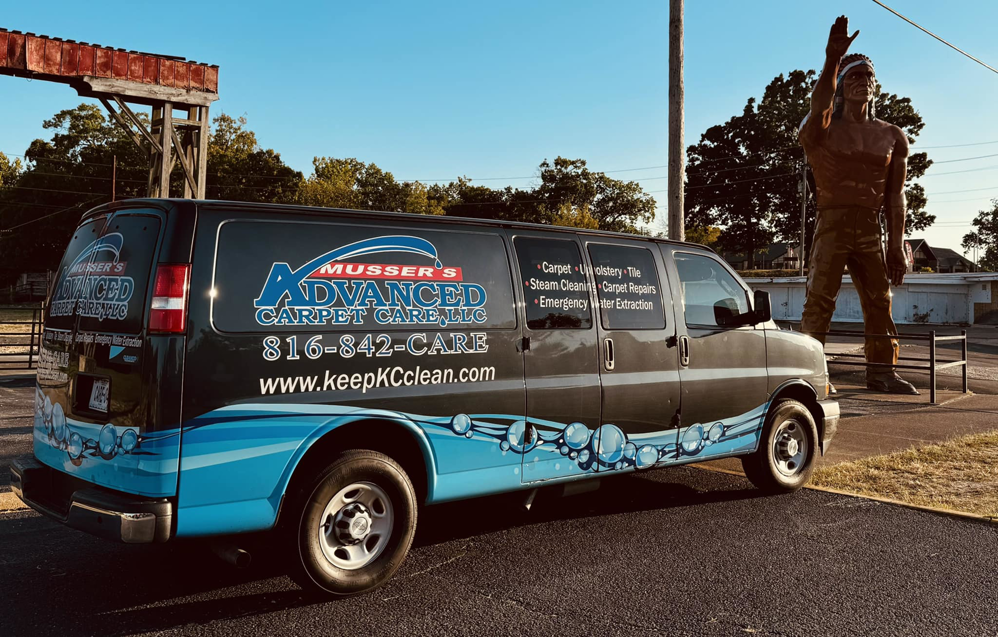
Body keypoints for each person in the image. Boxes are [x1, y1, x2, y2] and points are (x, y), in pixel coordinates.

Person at [798, 15, 918, 395]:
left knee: (880, 302)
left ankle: (882, 371)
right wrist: (833, 58)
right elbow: (817, 108)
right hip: (832, 222)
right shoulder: (822, 128)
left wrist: (896, 243)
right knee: (819, 299)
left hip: (870, 225)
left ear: (875, 87)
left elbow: (895, 194)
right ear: (840, 85)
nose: (861, 81)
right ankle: (811, 376)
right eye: (853, 76)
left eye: (867, 77)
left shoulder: (892, 136)